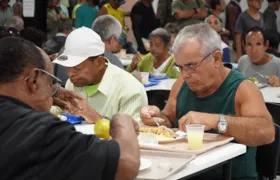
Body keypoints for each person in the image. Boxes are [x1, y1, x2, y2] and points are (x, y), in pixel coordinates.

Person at [140, 23, 274, 179]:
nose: (185, 75)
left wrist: (217, 121)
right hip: (186, 172)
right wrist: (156, 118)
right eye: (180, 67)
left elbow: (267, 132)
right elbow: (168, 119)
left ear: (216, 58)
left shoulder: (242, 89)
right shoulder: (182, 84)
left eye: (191, 66)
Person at [0, 36, 140, 180]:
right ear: (34, 80)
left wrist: (50, 94)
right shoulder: (40, 130)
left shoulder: (129, 87)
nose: (69, 74)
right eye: (51, 81)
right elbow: (125, 164)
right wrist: (121, 120)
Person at [53, 27, 148, 123]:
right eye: (67, 67)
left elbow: (133, 135)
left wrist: (98, 119)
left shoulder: (130, 90)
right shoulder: (72, 83)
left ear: (99, 62)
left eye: (77, 68)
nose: (70, 74)